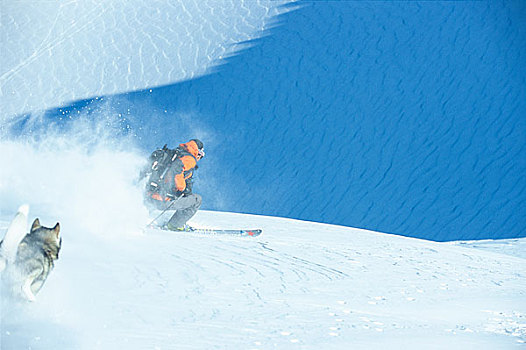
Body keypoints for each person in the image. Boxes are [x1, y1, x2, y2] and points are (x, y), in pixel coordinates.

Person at [145, 139, 205, 231]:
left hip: (149, 196)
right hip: (163, 199)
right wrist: (183, 189)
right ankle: (175, 225)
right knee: (197, 200)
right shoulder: (189, 159)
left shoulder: (173, 154)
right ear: (198, 151)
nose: (200, 158)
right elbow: (176, 169)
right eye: (201, 155)